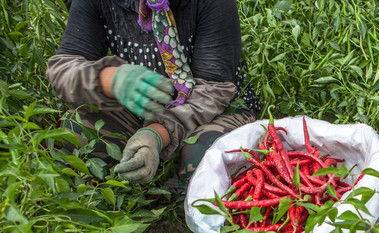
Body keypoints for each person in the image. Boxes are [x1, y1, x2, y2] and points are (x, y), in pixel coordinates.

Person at [46, 0, 261, 186]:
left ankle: (176, 168)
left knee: (203, 157)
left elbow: (213, 90)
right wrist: (111, 79)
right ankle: (147, 163)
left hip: (215, 109)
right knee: (77, 130)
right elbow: (62, 69)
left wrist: (157, 134)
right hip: (145, 104)